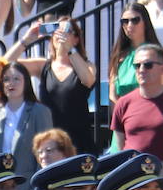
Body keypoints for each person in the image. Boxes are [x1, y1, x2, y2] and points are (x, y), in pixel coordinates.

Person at [6, 16, 99, 155]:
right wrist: (26, 40)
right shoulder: (44, 66)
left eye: (67, 30)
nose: (61, 34)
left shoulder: (87, 65)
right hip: (49, 142)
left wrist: (71, 50)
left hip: (78, 142)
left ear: (76, 39)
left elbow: (88, 80)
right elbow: (5, 64)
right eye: (57, 30)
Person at [111, 43, 163, 175]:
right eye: (137, 65)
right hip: (134, 174)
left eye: (148, 65)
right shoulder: (123, 103)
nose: (141, 70)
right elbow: (119, 148)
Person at [0, 62, 52, 177]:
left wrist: (38, 185)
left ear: (26, 82)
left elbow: (46, 150)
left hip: (27, 185)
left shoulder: (39, 111)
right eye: (6, 79)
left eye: (16, 79)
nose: (11, 83)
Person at [108, 2, 158, 101]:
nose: (129, 25)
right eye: (125, 21)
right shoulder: (118, 56)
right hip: (124, 112)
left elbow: (161, 88)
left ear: (145, 22)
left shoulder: (156, 53)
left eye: (135, 20)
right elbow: (112, 95)